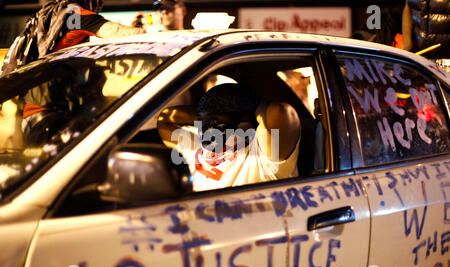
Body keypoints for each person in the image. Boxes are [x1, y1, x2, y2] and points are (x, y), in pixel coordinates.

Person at [157, 83, 301, 192]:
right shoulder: (198, 143)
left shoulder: (261, 154)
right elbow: (166, 118)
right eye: (206, 120)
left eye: (217, 118)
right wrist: (207, 113)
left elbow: (280, 111)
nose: (210, 126)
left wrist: (250, 109)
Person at [1, 0, 145, 76]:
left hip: (32, 106)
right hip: (49, 111)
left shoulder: (52, 14)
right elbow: (114, 31)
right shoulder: (73, 15)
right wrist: (145, 33)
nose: (100, 4)